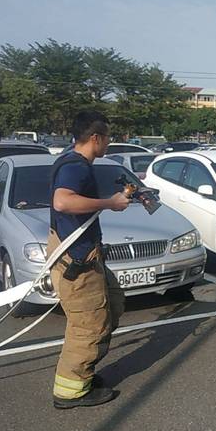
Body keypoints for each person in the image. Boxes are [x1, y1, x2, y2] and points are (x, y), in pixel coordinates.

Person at [48, 111, 130, 409]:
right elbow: (63, 201)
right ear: (95, 138)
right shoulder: (76, 167)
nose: (109, 143)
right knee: (88, 325)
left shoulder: (72, 162)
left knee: (113, 303)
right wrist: (110, 203)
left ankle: (83, 371)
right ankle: (70, 391)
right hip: (77, 260)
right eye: (107, 137)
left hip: (86, 255)